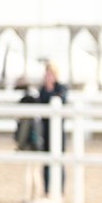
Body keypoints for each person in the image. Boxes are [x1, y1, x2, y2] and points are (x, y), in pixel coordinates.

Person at [38, 63, 69, 196]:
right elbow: (41, 103)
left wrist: (50, 90)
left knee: (59, 159)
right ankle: (46, 190)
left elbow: (62, 100)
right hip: (45, 128)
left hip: (58, 129)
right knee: (46, 160)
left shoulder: (61, 87)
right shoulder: (42, 89)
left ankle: (60, 190)